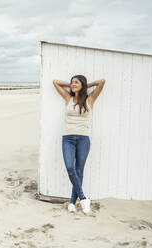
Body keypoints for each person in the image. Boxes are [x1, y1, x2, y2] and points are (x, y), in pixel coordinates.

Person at [53, 75, 105, 213]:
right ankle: (82, 198)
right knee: (70, 168)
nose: (73, 84)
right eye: (72, 82)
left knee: (79, 170)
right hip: (67, 138)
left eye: (76, 82)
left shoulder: (90, 99)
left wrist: (85, 86)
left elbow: (102, 82)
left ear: (82, 84)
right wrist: (73, 87)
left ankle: (71, 203)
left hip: (83, 139)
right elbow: (56, 82)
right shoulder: (68, 98)